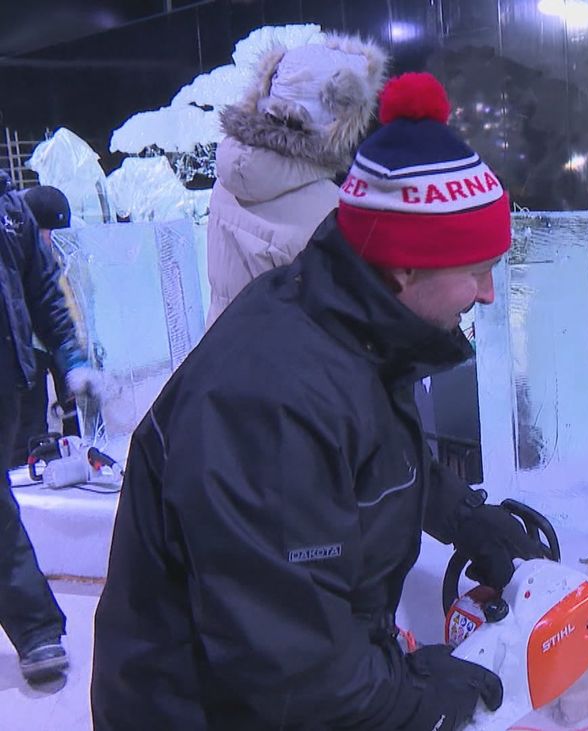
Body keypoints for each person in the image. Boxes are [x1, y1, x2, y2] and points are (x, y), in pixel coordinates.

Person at [92, 72, 547, 730]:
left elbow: (362, 461)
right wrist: (424, 698)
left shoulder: (349, 326)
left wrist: (465, 518)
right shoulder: (268, 398)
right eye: (475, 269)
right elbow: (293, 668)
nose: (487, 293)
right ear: (406, 265)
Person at [206, 33, 388, 325]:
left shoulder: (228, 180)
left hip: (223, 357)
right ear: (339, 122)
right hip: (290, 368)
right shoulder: (328, 215)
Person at [0, 173, 100, 685]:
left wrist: (72, 358)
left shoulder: (11, 212)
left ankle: (37, 629)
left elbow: (45, 293)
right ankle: (36, 628)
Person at [11, 185, 82, 469]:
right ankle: (27, 462)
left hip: (61, 336)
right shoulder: (15, 252)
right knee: (30, 411)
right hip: (29, 343)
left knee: (75, 401)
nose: (54, 239)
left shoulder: (68, 251)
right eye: (48, 231)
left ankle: (77, 452)